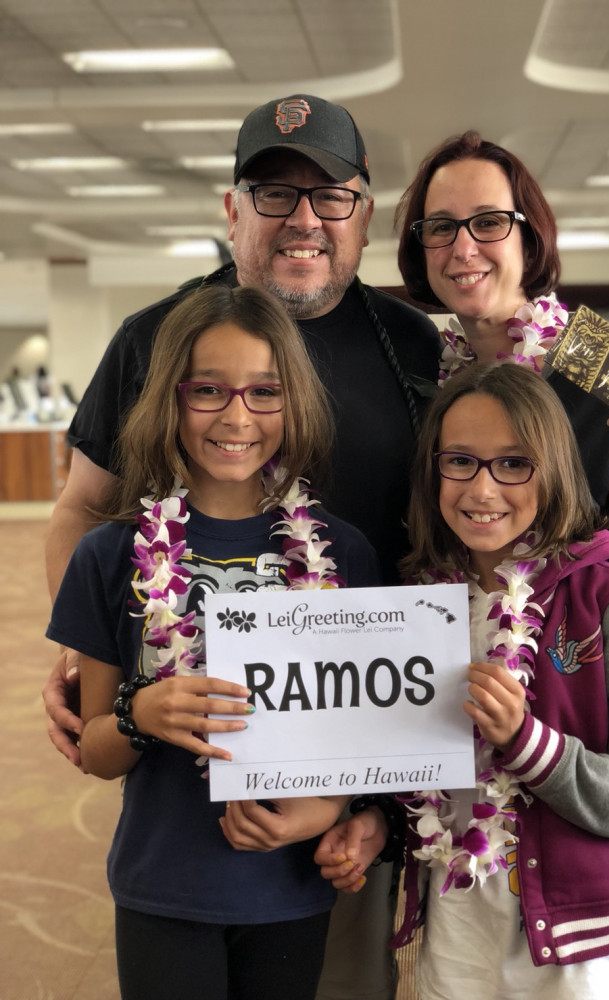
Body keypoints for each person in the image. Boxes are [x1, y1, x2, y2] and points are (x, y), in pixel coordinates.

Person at [43, 94, 441, 1000]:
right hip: (182, 776)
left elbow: (473, 489)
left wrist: (366, 806)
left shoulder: (415, 344)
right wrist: (96, 649)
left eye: (330, 195)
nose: (303, 219)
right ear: (232, 211)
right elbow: (80, 511)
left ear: (364, 215)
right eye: (272, 193)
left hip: (341, 775)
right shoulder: (154, 338)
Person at [46, 283, 383, 1000]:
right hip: (165, 883)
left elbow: (361, 743)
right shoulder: (109, 555)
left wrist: (330, 813)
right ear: (170, 398)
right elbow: (97, 752)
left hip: (290, 884)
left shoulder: (342, 553)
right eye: (208, 390)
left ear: (293, 404)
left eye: (265, 392)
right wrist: (145, 715)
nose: (237, 416)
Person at [317, 361, 609, 999]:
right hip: (459, 931)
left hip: (582, 950)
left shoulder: (605, 597)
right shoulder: (415, 606)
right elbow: (405, 763)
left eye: (514, 464)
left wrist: (526, 741)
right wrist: (376, 820)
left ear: (554, 470)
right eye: (459, 461)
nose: (482, 490)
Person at [394, 130, 609, 601]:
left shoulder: (603, 356)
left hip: (581, 654)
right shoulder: (426, 368)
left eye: (489, 222)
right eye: (440, 226)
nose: (463, 248)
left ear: (529, 240)